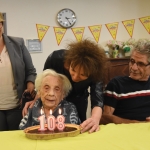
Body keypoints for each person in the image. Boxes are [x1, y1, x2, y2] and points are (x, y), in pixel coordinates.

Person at [23, 39, 108, 133]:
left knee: (78, 129)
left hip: (79, 99)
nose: (75, 77)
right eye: (73, 70)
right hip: (57, 96)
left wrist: (95, 119)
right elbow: (44, 82)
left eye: (82, 75)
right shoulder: (55, 58)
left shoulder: (96, 72)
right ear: (69, 62)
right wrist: (35, 101)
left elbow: (98, 99)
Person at [0, 12, 36, 131]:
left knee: (17, 140)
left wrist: (30, 84)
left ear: (2, 25)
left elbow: (30, 70)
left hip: (17, 105)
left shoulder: (18, 43)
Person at [100, 39, 150, 124]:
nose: (134, 68)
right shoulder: (116, 84)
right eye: (132, 61)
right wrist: (133, 123)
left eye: (141, 64)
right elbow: (105, 118)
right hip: (124, 132)